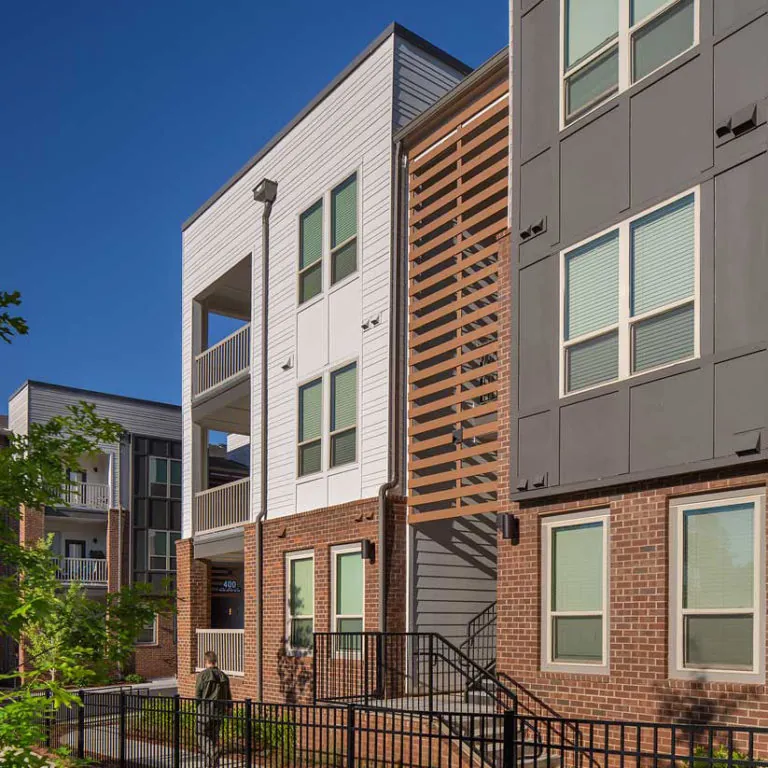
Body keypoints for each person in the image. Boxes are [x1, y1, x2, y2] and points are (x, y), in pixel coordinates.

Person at [195, 650, 232, 768]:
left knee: (201, 736)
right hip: (218, 712)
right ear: (215, 661)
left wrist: (197, 707)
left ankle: (212, 755)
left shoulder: (203, 675)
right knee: (213, 739)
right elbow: (228, 696)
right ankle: (212, 765)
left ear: (206, 661)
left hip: (204, 711)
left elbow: (198, 695)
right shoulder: (224, 676)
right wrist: (229, 708)